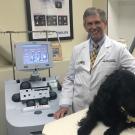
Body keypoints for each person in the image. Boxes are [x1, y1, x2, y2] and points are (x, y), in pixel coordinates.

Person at [54, 7, 135, 119]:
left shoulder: (119, 49)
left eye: (97, 22)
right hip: (79, 108)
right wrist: (64, 104)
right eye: (89, 24)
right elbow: (69, 79)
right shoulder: (77, 49)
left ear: (105, 23)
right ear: (85, 26)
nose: (93, 27)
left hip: (105, 109)